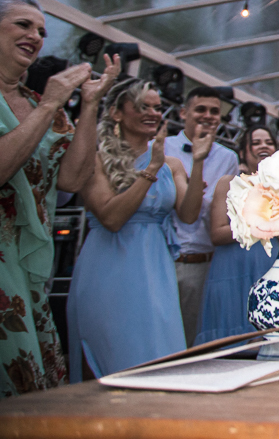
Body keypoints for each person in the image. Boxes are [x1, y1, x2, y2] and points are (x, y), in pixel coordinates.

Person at [0, 0, 118, 397]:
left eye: (41, 31)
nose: (35, 35)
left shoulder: (37, 104)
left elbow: (71, 179)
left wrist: (89, 106)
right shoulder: (44, 104)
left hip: (29, 263)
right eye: (23, 25)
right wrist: (51, 102)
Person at [68, 80, 207, 380]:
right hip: (109, 267)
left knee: (161, 352)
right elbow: (111, 218)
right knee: (115, 355)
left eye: (157, 108)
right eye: (143, 106)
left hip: (156, 269)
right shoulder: (97, 159)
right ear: (118, 114)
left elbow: (189, 215)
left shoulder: (171, 164)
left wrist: (197, 163)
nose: (154, 113)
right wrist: (150, 170)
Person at [165, 86, 240, 346]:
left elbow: (220, 216)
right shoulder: (162, 148)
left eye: (214, 111)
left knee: (191, 343)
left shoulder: (228, 158)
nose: (208, 116)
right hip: (161, 260)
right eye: (201, 109)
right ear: (184, 112)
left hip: (203, 265)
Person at [194, 126, 279, 345]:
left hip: (270, 266)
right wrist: (259, 224)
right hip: (234, 268)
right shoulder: (228, 184)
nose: (263, 146)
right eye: (256, 142)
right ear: (243, 152)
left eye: (268, 142)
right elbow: (217, 233)